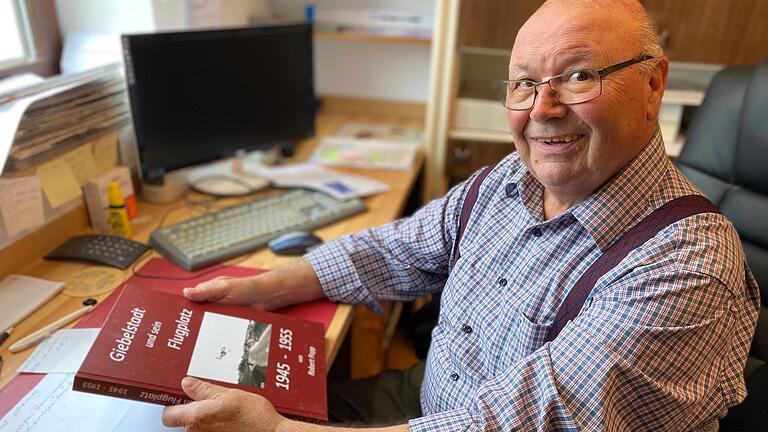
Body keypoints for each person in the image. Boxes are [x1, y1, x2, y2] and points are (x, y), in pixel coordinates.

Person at [161, 0, 760, 430]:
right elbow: (402, 247)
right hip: (432, 396)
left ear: (653, 87)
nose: (542, 109)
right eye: (523, 84)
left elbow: (510, 424)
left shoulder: (687, 266)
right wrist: (268, 287)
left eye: (578, 77)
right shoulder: (511, 178)